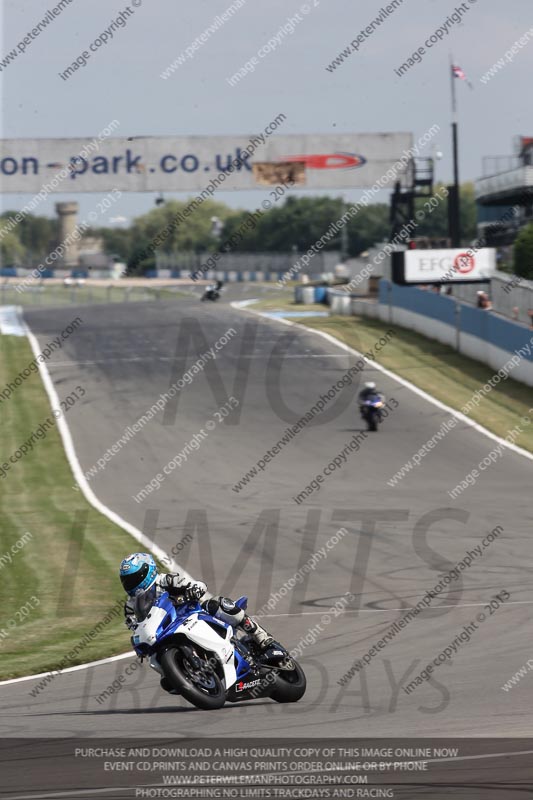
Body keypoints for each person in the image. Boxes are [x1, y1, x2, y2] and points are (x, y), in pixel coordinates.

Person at [119, 553, 274, 693]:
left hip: (191, 614)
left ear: (147, 572)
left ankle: (260, 635)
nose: (131, 584)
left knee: (217, 604)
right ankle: (180, 672)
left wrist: (194, 590)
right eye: (126, 581)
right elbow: (135, 627)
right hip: (163, 632)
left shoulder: (166, 580)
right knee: (166, 680)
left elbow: (197, 585)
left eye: (134, 578)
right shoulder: (130, 606)